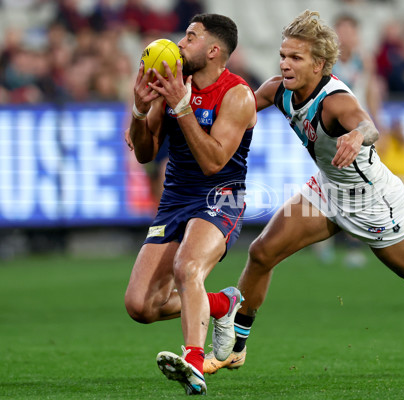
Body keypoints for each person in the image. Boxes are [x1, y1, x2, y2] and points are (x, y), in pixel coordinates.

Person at [203, 10, 404, 374]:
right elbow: (235, 107)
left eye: (295, 58)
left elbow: (366, 124)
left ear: (319, 65)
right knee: (262, 253)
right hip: (327, 190)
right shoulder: (277, 90)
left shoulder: (335, 100)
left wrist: (357, 136)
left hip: (371, 201)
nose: (285, 64)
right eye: (282, 55)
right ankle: (237, 348)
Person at [123, 13, 257, 395]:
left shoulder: (237, 95)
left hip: (220, 198)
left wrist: (181, 108)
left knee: (189, 266)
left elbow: (214, 162)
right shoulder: (172, 85)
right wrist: (138, 109)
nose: (180, 43)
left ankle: (194, 363)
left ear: (214, 51)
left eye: (191, 37)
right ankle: (221, 303)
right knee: (140, 306)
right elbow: (145, 153)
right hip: (175, 199)